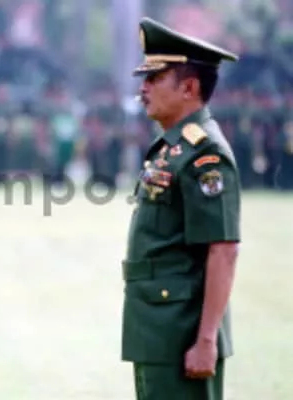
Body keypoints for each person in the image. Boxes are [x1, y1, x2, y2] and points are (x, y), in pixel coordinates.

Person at [121, 17, 242, 400]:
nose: (143, 88)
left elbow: (223, 249)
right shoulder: (173, 148)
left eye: (155, 78)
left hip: (182, 332)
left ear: (188, 87)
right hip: (156, 326)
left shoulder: (206, 154)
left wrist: (206, 340)